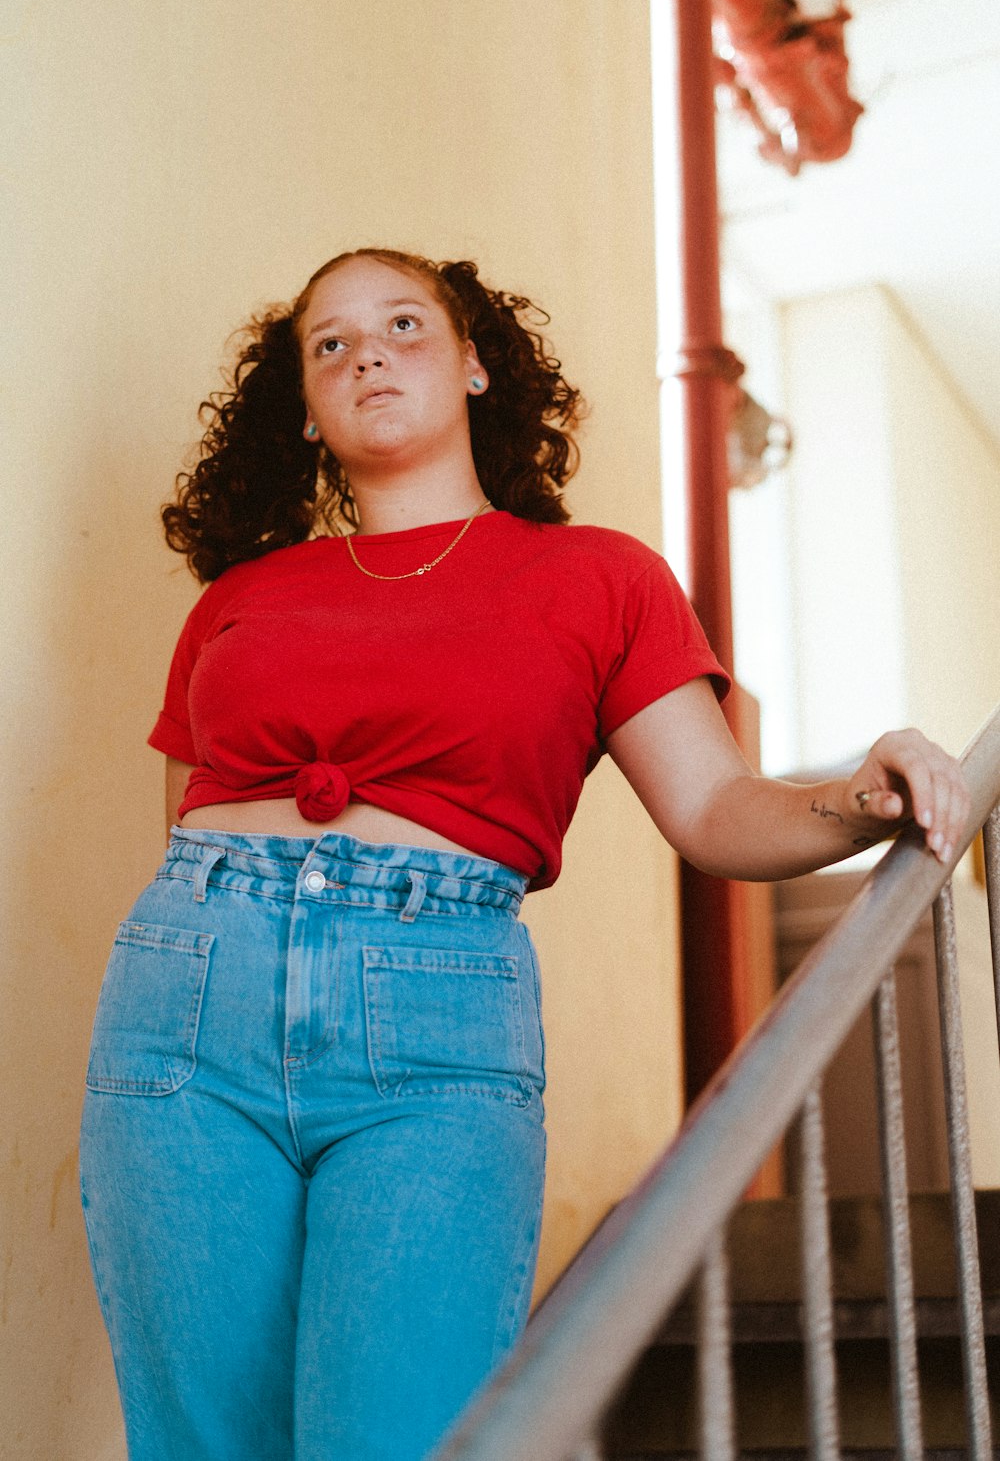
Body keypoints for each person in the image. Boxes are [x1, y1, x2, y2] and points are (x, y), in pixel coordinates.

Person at [78, 248, 970, 1461]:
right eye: (327, 344)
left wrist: (855, 801)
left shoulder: (596, 579)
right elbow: (186, 822)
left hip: (433, 1013)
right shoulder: (239, 597)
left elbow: (713, 811)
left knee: (392, 1439)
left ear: (476, 365)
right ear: (302, 405)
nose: (366, 354)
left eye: (402, 324)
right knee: (201, 1444)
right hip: (188, 1000)